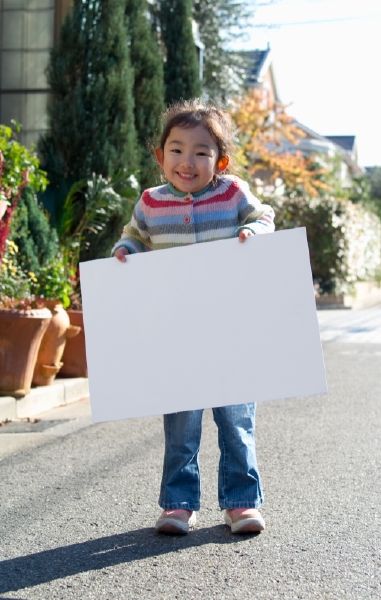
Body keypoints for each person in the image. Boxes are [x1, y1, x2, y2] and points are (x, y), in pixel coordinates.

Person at [112, 99, 275, 535]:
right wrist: (125, 252)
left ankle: (242, 502)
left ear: (219, 161)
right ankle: (179, 504)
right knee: (181, 426)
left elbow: (264, 217)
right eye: (177, 149)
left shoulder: (232, 192)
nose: (188, 161)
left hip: (230, 333)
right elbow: (134, 237)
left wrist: (253, 232)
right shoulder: (151, 202)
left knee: (236, 421)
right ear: (160, 156)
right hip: (177, 339)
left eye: (201, 152)